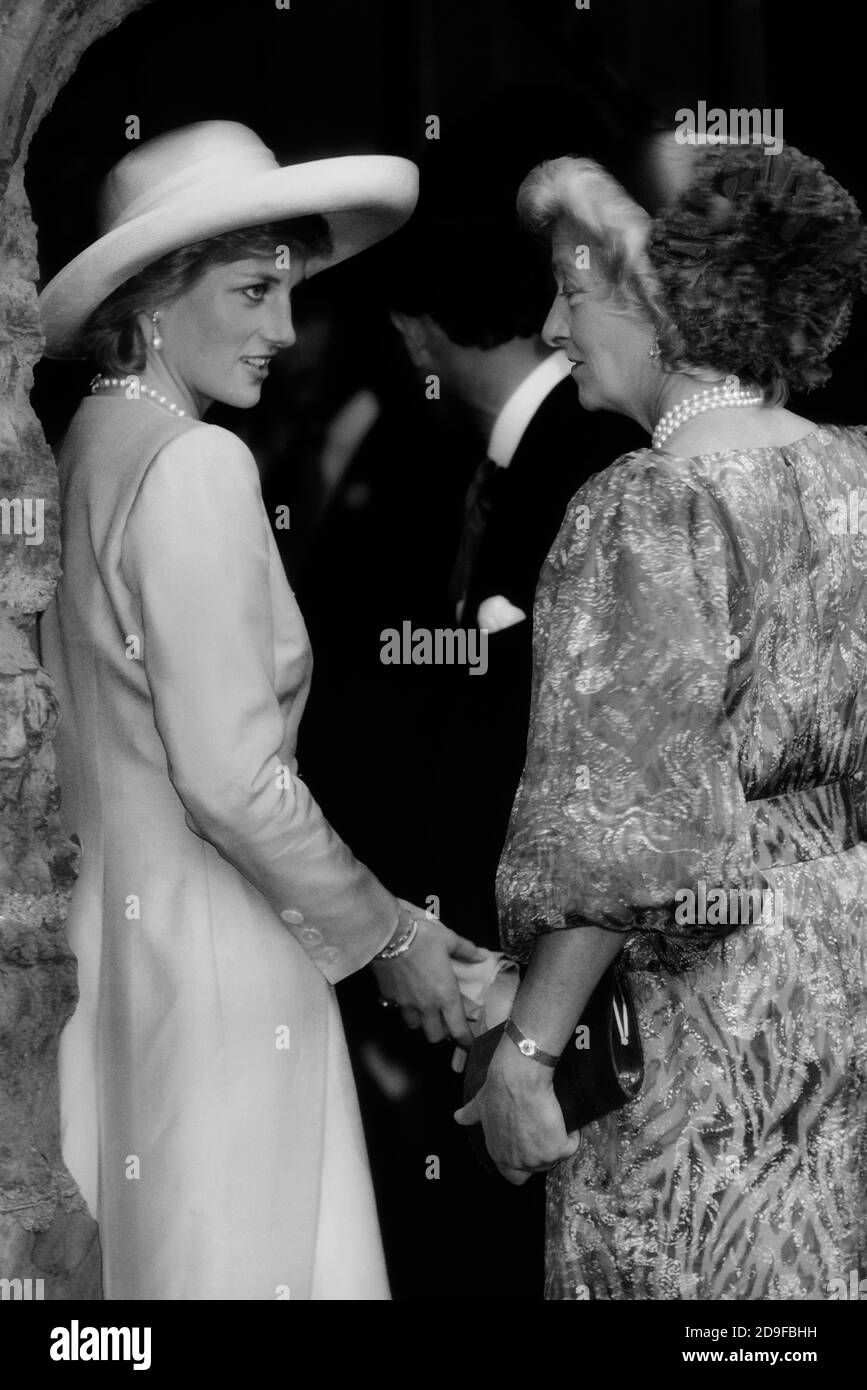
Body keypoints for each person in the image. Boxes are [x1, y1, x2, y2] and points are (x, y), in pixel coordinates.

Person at [37, 120, 485, 1301]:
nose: (285, 330)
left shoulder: (90, 443)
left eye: (287, 291)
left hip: (117, 965)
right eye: (251, 291)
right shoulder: (194, 465)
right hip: (223, 973)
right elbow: (231, 779)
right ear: (151, 297)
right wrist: (388, 930)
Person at [456, 140, 867, 1300]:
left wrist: (528, 1053)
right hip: (839, 969)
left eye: (573, 289)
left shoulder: (650, 504)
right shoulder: (851, 473)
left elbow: (612, 834)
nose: (548, 325)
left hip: (700, 1008)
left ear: (661, 304)